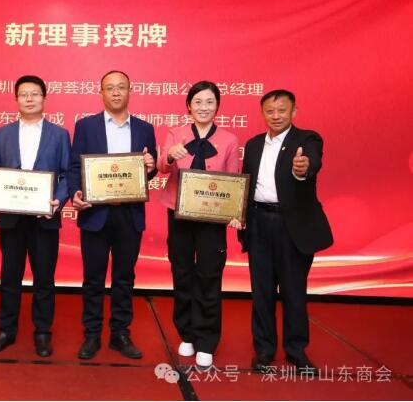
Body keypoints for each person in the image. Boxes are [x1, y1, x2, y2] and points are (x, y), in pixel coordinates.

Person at [0, 75, 70, 358]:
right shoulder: (3, 134)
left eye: (35, 94)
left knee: (44, 278)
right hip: (11, 217)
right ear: (16, 99)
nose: (29, 98)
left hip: (45, 217)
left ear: (44, 98)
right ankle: (6, 330)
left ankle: (43, 332)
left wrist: (59, 200)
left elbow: (67, 174)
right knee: (10, 276)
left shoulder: (59, 134)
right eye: (24, 94)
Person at [239, 89, 333, 375]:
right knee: (262, 293)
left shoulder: (307, 140)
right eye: (270, 110)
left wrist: (302, 169)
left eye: (282, 110)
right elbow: (245, 184)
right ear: (262, 113)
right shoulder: (253, 145)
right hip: (259, 223)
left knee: (294, 291)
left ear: (294, 112)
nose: (276, 115)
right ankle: (264, 350)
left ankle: (296, 351)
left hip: (291, 227)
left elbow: (312, 163)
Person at [68, 70, 157, 360]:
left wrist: (151, 166)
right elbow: (74, 167)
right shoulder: (85, 126)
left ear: (130, 91)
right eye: (110, 88)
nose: (116, 92)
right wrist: (76, 193)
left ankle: (120, 333)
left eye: (121, 87)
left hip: (129, 215)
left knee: (124, 278)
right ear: (101, 93)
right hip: (95, 214)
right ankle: (92, 334)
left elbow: (149, 170)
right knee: (93, 278)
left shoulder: (145, 128)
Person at [157, 81, 241, 368]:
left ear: (217, 106)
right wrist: (170, 154)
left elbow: (233, 179)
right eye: (198, 102)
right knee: (181, 272)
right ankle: (187, 333)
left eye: (209, 102)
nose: (203, 107)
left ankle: (206, 339)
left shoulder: (229, 139)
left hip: (211, 219)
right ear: (188, 107)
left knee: (209, 275)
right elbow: (162, 167)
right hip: (178, 215)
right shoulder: (176, 133)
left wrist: (234, 210)